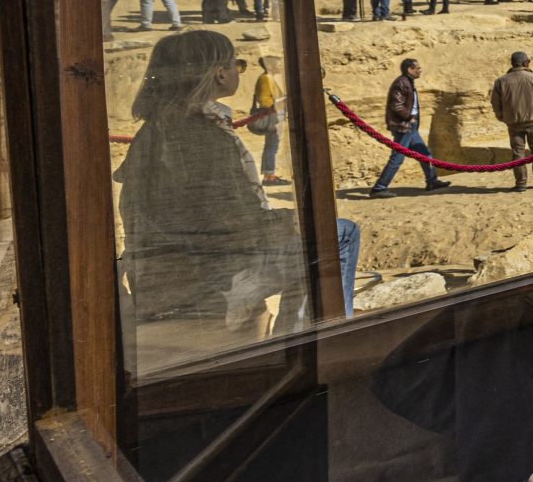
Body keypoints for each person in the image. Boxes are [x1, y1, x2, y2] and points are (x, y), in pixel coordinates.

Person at [116, 30, 362, 330]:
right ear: (220, 74)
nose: (238, 71)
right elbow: (236, 225)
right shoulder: (203, 136)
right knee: (339, 234)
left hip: (167, 271)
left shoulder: (155, 130)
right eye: (237, 64)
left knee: (307, 244)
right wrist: (292, 222)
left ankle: (298, 335)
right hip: (211, 276)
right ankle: (327, 336)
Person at [369, 58, 452, 197]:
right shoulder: (401, 83)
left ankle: (432, 181)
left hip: (410, 127)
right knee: (397, 158)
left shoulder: (408, 82)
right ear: (410, 70)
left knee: (424, 154)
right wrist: (409, 117)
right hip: (404, 126)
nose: (420, 70)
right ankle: (379, 188)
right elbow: (396, 105)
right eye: (417, 68)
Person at [490, 51, 533, 191]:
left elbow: (495, 103)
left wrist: (502, 117)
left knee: (518, 153)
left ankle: (521, 183)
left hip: (513, 123)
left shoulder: (501, 81)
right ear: (526, 63)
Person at [250, 54, 285, 185]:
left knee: (270, 146)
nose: (280, 67)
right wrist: (280, 104)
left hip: (273, 115)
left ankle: (268, 175)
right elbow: (264, 100)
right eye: (278, 64)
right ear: (270, 66)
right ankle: (269, 176)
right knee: (272, 147)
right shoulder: (266, 78)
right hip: (272, 116)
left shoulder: (268, 78)